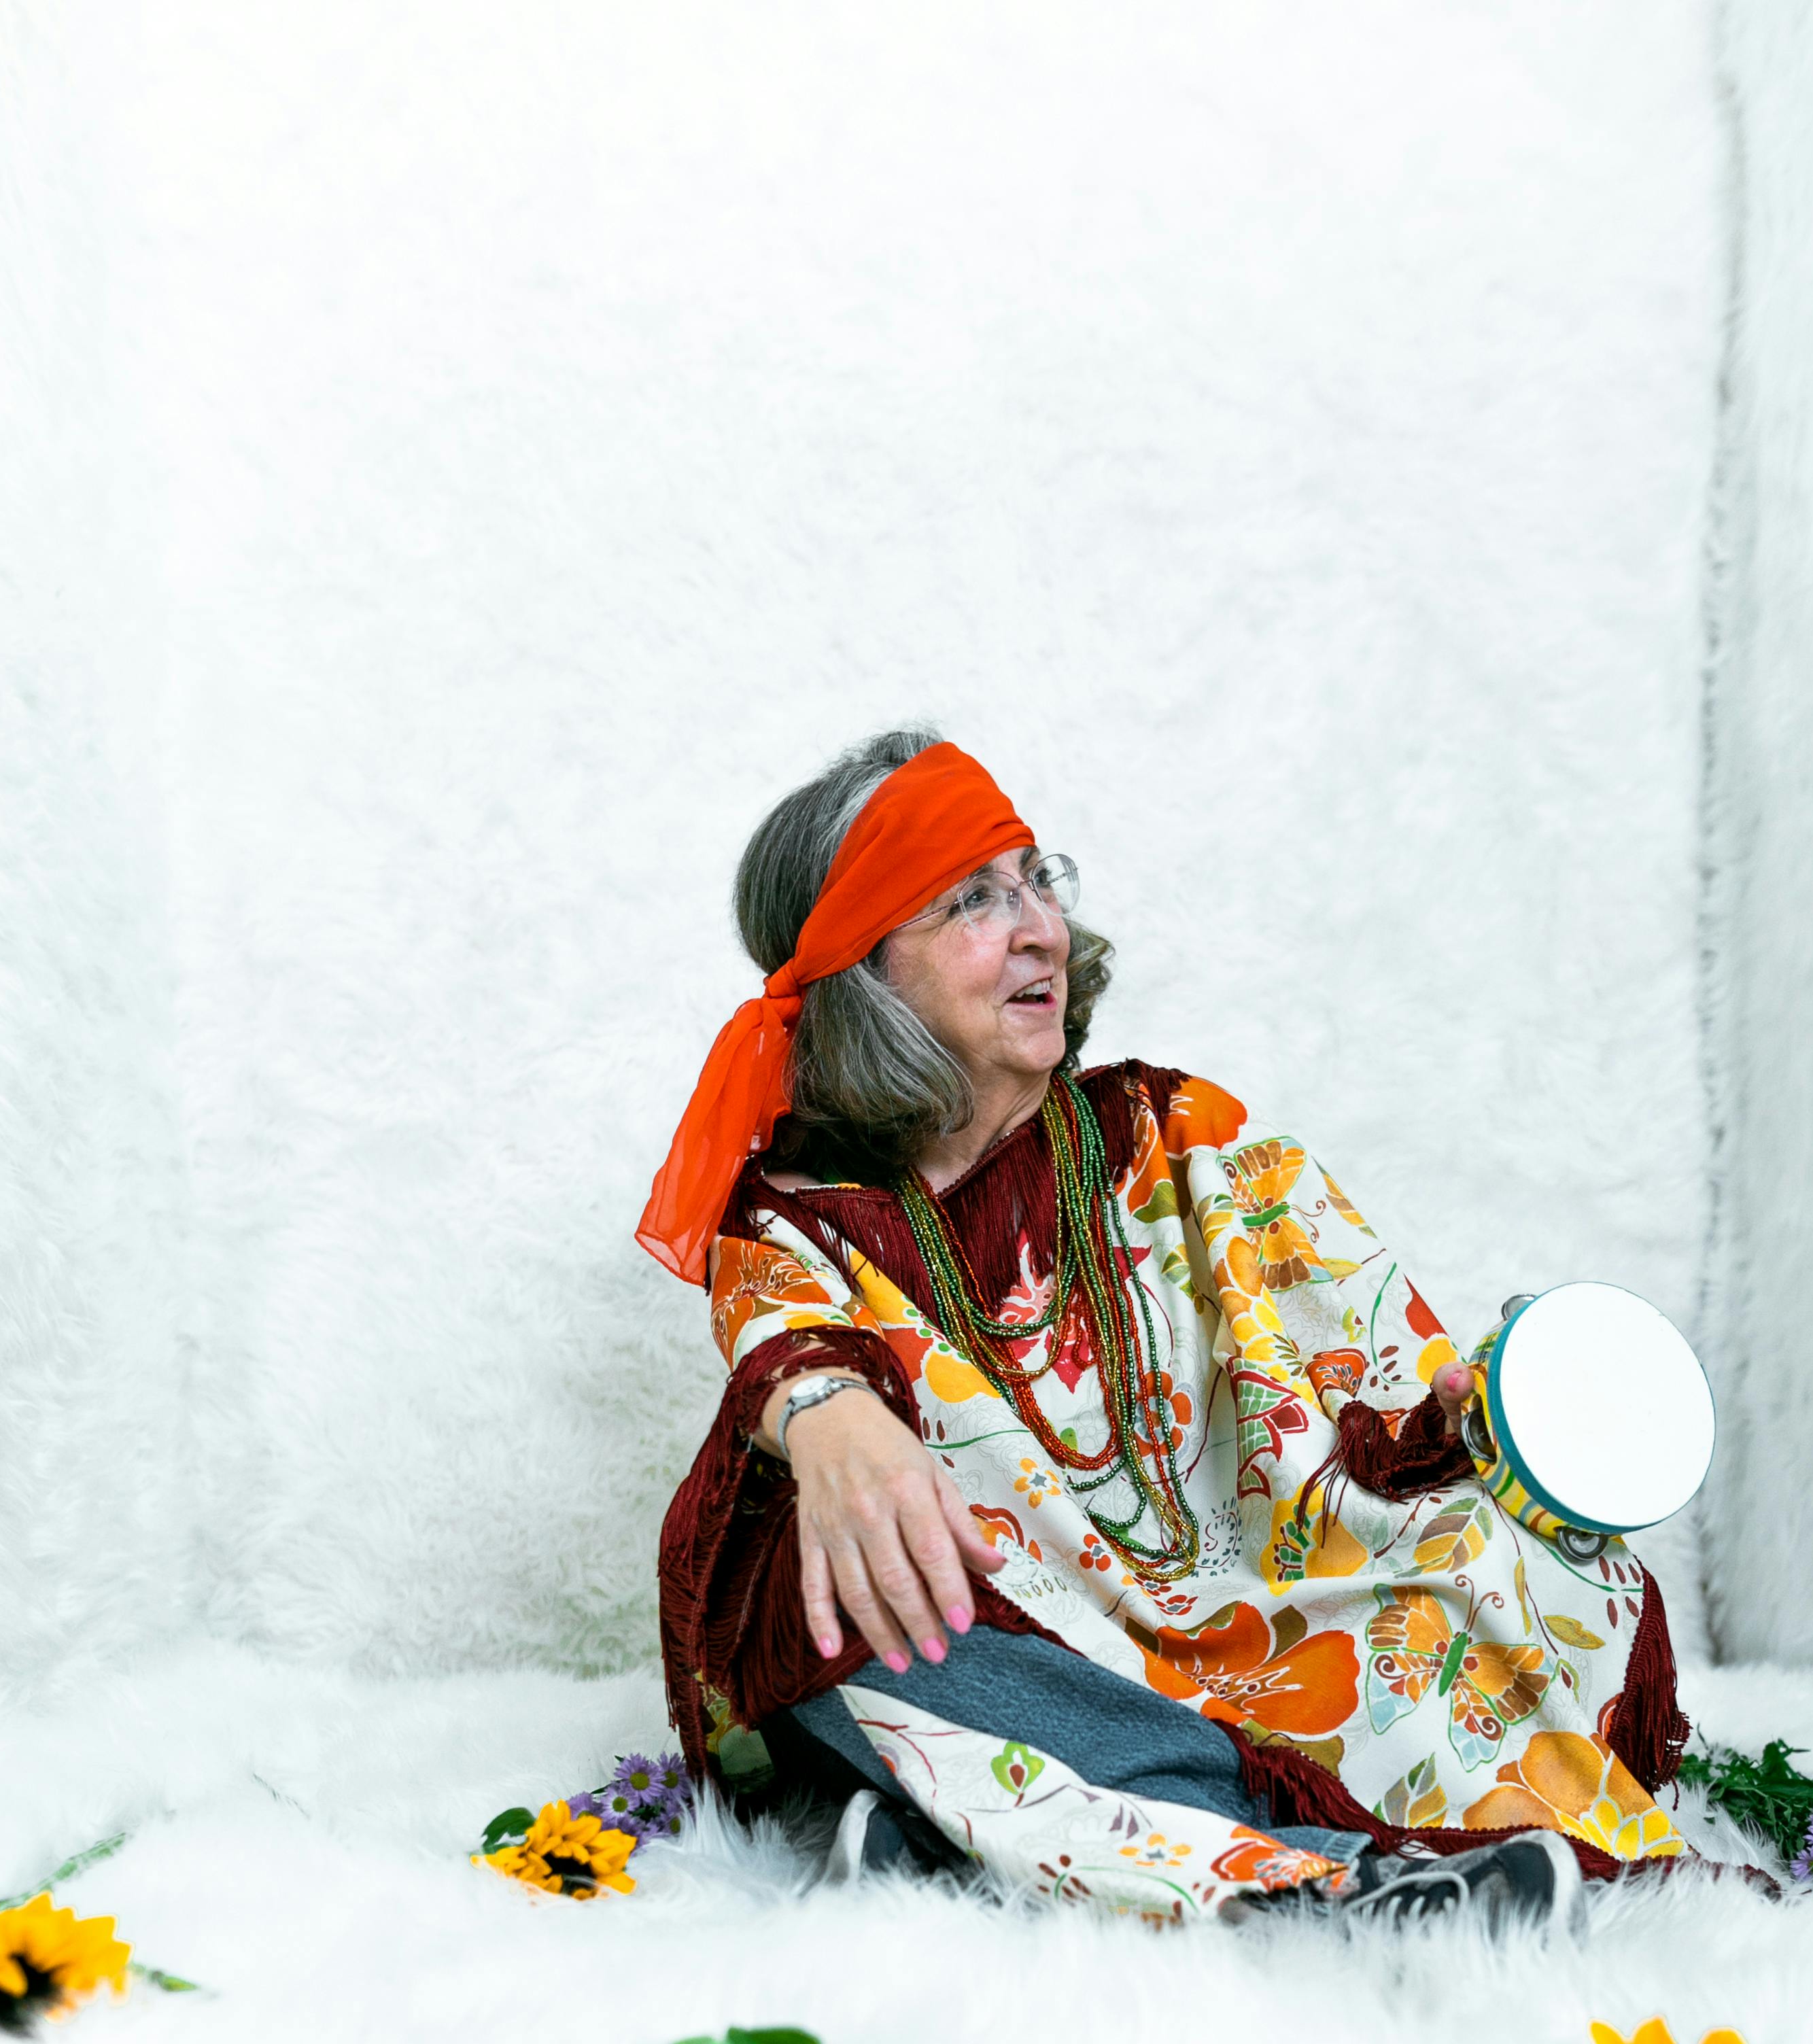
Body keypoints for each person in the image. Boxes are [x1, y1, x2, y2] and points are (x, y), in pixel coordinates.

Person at [642, 730, 1689, 1927]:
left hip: (1249, 1595)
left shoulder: (1167, 1128)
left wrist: (1457, 1413)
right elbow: (779, 1323)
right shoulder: (796, 1216)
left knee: (1487, 1558)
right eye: (974, 900)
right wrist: (825, 1420)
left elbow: (1367, 1369)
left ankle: (962, 1839)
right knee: (837, 1585)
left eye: (1037, 879)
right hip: (1017, 1634)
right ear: (866, 978)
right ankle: (1325, 1883)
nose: (1039, 926)